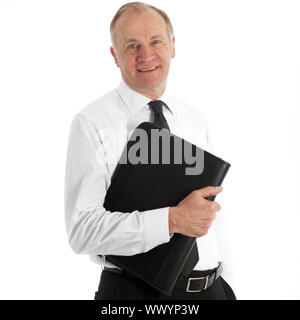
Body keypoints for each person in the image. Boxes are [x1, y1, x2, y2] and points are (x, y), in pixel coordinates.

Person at [64, 1, 236, 300]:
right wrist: (171, 220)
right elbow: (82, 230)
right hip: (135, 294)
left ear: (172, 45)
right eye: (132, 46)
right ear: (115, 56)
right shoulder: (92, 123)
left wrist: (228, 282)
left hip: (211, 291)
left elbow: (213, 213)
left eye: (155, 41)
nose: (146, 55)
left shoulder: (194, 118)